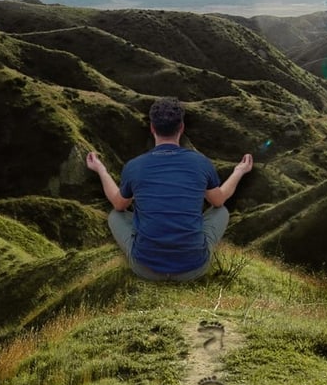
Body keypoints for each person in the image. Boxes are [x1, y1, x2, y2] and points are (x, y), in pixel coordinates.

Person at [86, 96, 253, 281]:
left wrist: (101, 170)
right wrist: (239, 171)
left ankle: (149, 247)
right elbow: (218, 200)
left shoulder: (134, 166)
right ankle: (191, 249)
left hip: (145, 268)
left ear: (152, 128)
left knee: (115, 215)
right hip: (195, 268)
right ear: (181, 127)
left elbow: (119, 204)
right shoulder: (201, 163)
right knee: (221, 211)